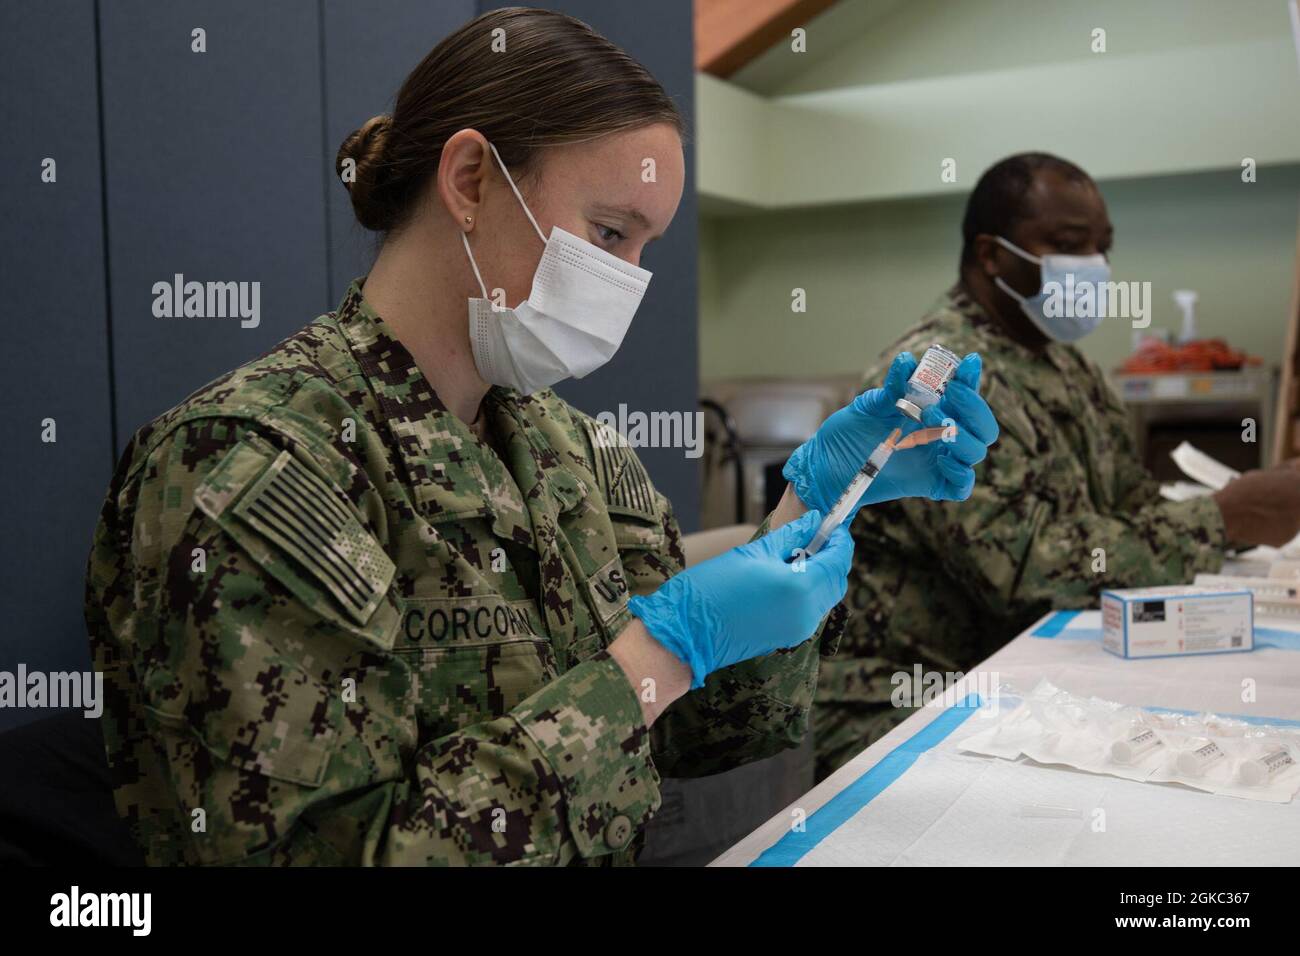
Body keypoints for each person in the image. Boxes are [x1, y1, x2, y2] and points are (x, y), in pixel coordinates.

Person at [84, 7, 998, 865]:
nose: (628, 280)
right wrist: (661, 651)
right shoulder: (253, 461)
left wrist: (816, 509)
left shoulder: (570, 450)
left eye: (645, 247)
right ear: (472, 181)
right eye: (608, 231)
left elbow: (690, 728)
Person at [813, 152, 1300, 781]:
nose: (1095, 267)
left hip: (1033, 674)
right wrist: (1223, 519)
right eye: (1071, 245)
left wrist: (1234, 508)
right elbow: (1024, 568)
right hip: (909, 701)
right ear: (991, 255)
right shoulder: (933, 377)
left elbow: (1129, 508)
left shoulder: (1068, 368)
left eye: (1103, 247)